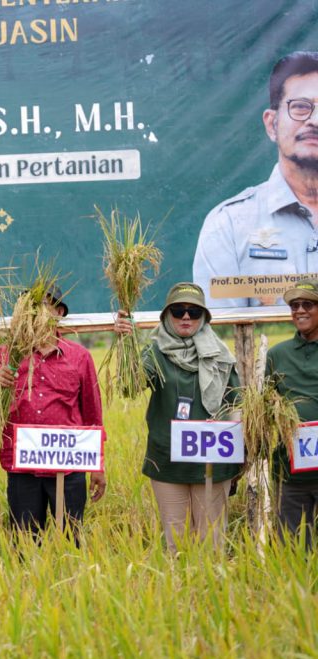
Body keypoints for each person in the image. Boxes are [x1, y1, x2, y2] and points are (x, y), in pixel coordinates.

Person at [115, 282, 239, 552]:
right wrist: (126, 344)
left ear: (204, 317)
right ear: (167, 316)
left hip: (213, 460)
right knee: (177, 541)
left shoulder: (221, 355)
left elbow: (237, 404)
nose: (186, 317)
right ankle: (179, 593)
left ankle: (211, 593)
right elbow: (129, 385)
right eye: (179, 310)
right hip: (168, 461)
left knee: (212, 542)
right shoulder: (155, 352)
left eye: (194, 312)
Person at [194, 52, 318, 308]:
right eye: (300, 107)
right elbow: (220, 337)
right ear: (272, 124)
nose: (314, 121)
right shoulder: (228, 225)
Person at [0, 291, 106, 540]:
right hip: (22, 468)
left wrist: (99, 465)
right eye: (29, 306)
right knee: (24, 542)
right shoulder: (7, 354)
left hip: (68, 466)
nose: (34, 311)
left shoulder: (79, 357)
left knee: (71, 540)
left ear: (59, 313)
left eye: (42, 305)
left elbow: (93, 414)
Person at [266, 278, 318, 544]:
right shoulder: (277, 355)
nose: (300, 310)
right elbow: (261, 407)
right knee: (293, 548)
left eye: (308, 304)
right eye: (294, 305)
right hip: (290, 473)